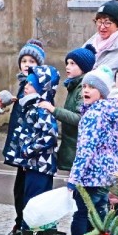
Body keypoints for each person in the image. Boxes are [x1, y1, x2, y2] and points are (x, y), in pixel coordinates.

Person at [60, 65, 118, 235]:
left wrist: (74, 178)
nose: (86, 90)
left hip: (90, 174)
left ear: (101, 92)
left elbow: (86, 150)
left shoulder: (93, 115)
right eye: (85, 86)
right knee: (100, 212)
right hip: (104, 174)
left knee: (81, 213)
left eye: (92, 87)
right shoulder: (107, 112)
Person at [11, 64, 60, 235]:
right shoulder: (32, 107)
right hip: (35, 163)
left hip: (40, 164)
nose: (26, 87)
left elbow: (50, 136)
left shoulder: (41, 109)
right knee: (41, 199)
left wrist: (27, 151)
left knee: (32, 200)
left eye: (30, 85)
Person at [2, 38, 46, 235]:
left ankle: (28, 228)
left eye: (32, 61)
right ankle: (20, 224)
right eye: (24, 60)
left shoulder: (39, 88)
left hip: (31, 152)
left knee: (29, 191)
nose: (27, 64)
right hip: (21, 150)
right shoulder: (23, 86)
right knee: (19, 189)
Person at [38, 44, 96, 172]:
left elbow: (80, 118)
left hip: (78, 150)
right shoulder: (74, 85)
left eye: (73, 63)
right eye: (67, 63)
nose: (67, 67)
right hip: (71, 148)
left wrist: (54, 110)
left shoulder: (82, 89)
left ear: (83, 68)